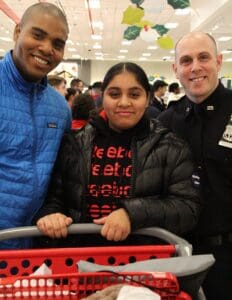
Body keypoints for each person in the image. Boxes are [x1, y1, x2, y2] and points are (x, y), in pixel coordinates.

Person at [34, 62, 200, 247]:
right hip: (79, 258)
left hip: (144, 263)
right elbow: (55, 197)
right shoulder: (74, 143)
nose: (123, 102)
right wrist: (51, 214)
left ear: (148, 99)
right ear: (102, 97)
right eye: (114, 94)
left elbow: (188, 208)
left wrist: (131, 213)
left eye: (134, 94)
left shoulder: (171, 147)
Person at [158, 32, 232, 300]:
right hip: (178, 255)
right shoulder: (165, 123)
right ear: (175, 69)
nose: (195, 67)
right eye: (186, 60)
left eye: (204, 57)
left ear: (219, 61)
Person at [0, 2, 71, 249]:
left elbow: (62, 177)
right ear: (18, 32)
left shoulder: (60, 108)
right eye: (38, 35)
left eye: (57, 44)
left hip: (33, 250)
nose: (46, 48)